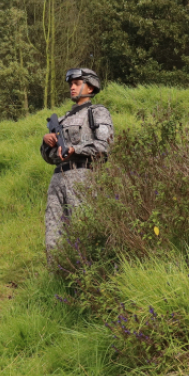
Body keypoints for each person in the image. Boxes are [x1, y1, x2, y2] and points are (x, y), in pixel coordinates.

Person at [41, 67, 113, 257]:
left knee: (81, 230)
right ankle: (56, 278)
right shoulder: (63, 119)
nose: (72, 87)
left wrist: (76, 149)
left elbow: (105, 147)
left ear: (90, 87)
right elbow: (50, 157)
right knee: (52, 235)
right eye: (70, 84)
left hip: (82, 177)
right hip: (57, 179)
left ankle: (86, 278)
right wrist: (47, 143)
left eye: (77, 83)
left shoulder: (97, 112)